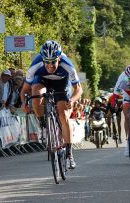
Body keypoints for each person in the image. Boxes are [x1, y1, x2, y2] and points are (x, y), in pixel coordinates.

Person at [20, 40, 83, 169]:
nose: (50, 65)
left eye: (53, 61)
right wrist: (24, 103)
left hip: (62, 83)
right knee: (35, 92)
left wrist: (72, 100)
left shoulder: (67, 65)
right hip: (42, 81)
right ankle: (43, 123)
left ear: (59, 58)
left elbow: (78, 89)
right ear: (42, 59)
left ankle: (69, 155)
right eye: (47, 62)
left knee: (63, 114)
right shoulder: (35, 65)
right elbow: (24, 89)